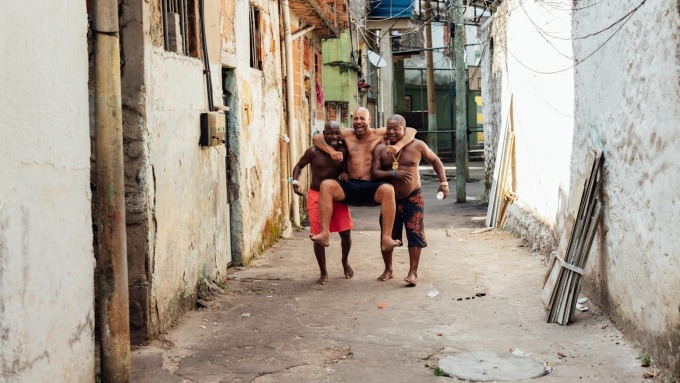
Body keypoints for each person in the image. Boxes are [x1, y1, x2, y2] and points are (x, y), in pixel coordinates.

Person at [310, 107, 417, 253]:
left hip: (371, 185)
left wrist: (398, 145)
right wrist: (332, 151)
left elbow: (411, 131)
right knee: (327, 185)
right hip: (350, 184)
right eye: (355, 118)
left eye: (362, 118)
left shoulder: (378, 133)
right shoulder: (347, 134)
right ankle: (324, 233)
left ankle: (386, 238)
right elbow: (317, 138)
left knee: (387, 189)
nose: (358, 122)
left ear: (369, 120)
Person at [371, 114, 449, 286]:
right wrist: (393, 173)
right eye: (389, 128)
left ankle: (413, 272)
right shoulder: (380, 148)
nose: (391, 131)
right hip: (390, 199)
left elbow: (435, 160)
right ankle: (388, 268)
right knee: (387, 233)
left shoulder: (417, 145)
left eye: (396, 128)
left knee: (415, 232)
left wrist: (443, 182)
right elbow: (374, 173)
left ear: (404, 130)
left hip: (413, 195)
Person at [292, 121, 354, 285]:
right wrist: (294, 182)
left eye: (336, 133)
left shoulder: (343, 151)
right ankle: (323, 272)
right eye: (330, 133)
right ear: (323, 134)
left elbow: (348, 170)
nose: (334, 136)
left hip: (337, 194)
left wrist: (346, 174)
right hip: (316, 195)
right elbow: (299, 166)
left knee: (346, 233)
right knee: (317, 236)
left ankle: (345, 261)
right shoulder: (313, 151)